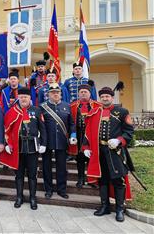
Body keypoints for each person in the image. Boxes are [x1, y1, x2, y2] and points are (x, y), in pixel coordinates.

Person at [82, 86, 134, 222]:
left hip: (115, 151)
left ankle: (119, 209)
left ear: (112, 97)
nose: (105, 98)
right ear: (100, 98)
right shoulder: (94, 112)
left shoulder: (122, 112)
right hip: (99, 151)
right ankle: (104, 206)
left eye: (108, 96)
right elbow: (87, 131)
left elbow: (129, 131)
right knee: (103, 179)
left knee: (118, 180)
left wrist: (119, 140)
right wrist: (86, 147)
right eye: (103, 96)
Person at [0, 87, 47, 210]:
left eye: (25, 97)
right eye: (21, 97)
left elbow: (43, 129)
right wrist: (7, 144)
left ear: (30, 98)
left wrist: (44, 144)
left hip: (32, 147)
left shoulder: (36, 110)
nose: (23, 99)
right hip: (17, 148)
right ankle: (19, 197)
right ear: (18, 98)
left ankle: (32, 198)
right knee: (19, 175)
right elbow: (7, 130)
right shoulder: (12, 111)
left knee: (32, 175)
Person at [40, 83, 76, 199]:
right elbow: (40, 125)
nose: (55, 94)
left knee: (62, 167)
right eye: (53, 92)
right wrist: (41, 142)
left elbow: (71, 123)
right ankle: (48, 189)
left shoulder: (67, 106)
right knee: (46, 166)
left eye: (57, 92)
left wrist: (73, 135)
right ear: (48, 94)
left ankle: (62, 189)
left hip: (62, 140)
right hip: (47, 142)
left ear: (61, 94)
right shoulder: (42, 107)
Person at [70, 84, 101, 188]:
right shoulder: (73, 105)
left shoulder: (97, 105)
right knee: (79, 158)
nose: (83, 94)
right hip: (78, 134)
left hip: (91, 136)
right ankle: (80, 179)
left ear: (90, 93)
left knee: (91, 157)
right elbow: (70, 122)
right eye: (81, 92)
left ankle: (91, 179)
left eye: (85, 92)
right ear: (78, 93)